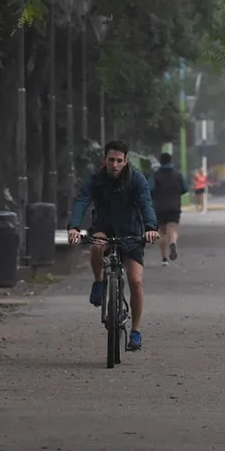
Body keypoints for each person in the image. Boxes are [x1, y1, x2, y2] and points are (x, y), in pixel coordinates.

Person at [67, 140, 161, 351]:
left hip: (131, 232)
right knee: (96, 246)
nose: (115, 165)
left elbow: (146, 203)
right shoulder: (96, 180)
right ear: (105, 160)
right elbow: (82, 200)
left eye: (120, 160)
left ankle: (135, 331)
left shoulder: (136, 179)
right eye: (111, 160)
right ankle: (99, 282)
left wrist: (151, 228)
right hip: (105, 227)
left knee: (135, 281)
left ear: (126, 161)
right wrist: (73, 227)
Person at [148, 152, 188, 266]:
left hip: (159, 207)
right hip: (174, 206)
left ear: (160, 161)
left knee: (161, 231)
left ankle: (164, 258)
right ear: (171, 161)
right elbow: (185, 189)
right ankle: (173, 242)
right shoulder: (178, 175)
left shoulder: (155, 175)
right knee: (173, 228)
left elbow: (149, 188)